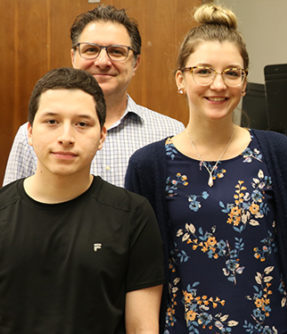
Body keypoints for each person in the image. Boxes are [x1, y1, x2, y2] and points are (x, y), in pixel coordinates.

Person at [125, 3, 287, 334]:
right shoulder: (148, 165)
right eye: (204, 71)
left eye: (232, 72)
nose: (219, 84)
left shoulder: (279, 154)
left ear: (243, 81)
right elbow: (139, 276)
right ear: (181, 79)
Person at [0, 67, 164, 333]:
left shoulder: (133, 215)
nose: (66, 137)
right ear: (29, 132)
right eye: (51, 121)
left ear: (101, 136)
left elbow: (142, 328)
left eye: (82, 124)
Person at [3, 5, 184, 187]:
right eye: (91, 50)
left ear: (136, 62)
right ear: (74, 57)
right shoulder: (32, 136)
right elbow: (12, 210)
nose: (103, 62)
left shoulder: (170, 133)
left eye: (116, 51)